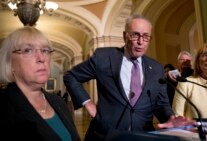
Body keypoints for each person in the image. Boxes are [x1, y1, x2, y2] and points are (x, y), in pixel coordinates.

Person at [64, 14, 193, 141]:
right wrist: (88, 103)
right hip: (105, 135)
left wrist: (170, 118)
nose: (140, 41)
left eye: (146, 36)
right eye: (135, 35)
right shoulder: (104, 57)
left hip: (142, 135)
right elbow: (71, 76)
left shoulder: (156, 68)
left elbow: (161, 104)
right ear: (125, 36)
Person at [0, 26, 81, 141]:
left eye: (45, 50)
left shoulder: (59, 102)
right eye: (28, 50)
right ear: (10, 63)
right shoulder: (4, 106)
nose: (41, 58)